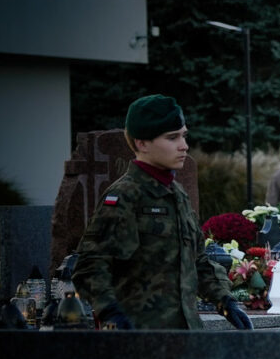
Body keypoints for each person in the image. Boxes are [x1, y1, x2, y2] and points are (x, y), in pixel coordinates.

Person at [72, 94, 252, 331]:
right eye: (172, 137)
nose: (184, 145)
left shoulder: (178, 194)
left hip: (185, 335)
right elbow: (90, 265)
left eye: (184, 136)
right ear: (142, 143)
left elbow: (197, 261)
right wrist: (111, 313)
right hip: (140, 337)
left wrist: (225, 301)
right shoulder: (125, 195)